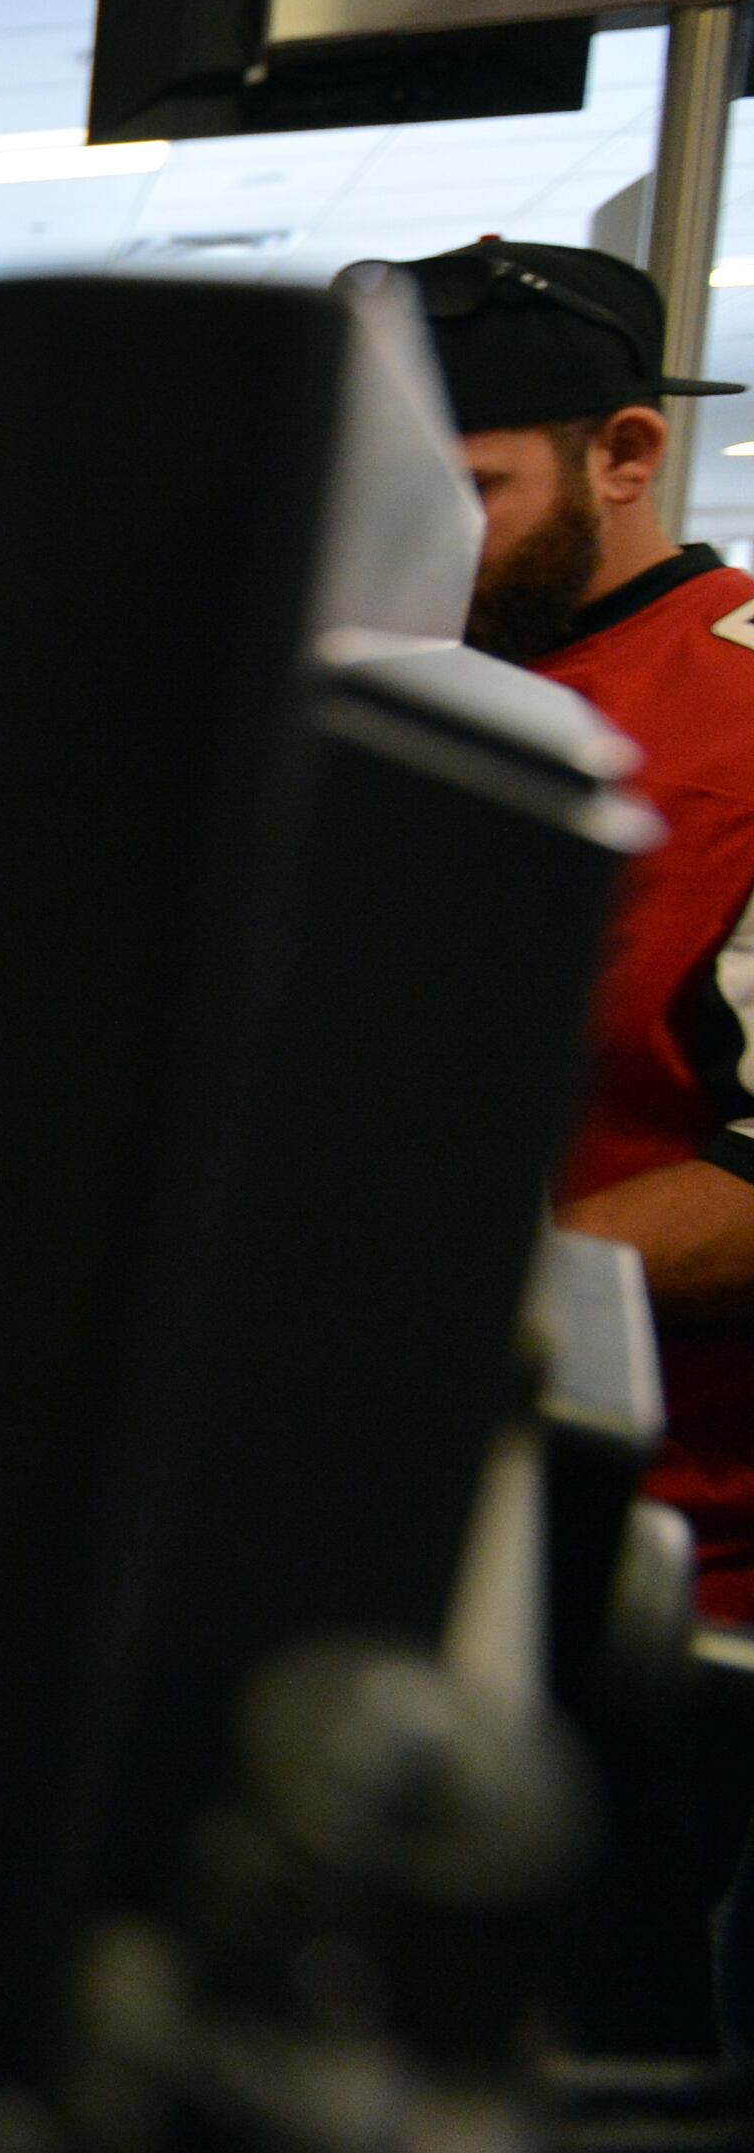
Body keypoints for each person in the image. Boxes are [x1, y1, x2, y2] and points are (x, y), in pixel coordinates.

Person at [381, 239, 754, 1607]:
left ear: (626, 455)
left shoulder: (737, 722)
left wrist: (417, 1298)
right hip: (408, 1506)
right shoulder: (412, 691)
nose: (414, 549)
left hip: (669, 1560)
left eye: (470, 496)